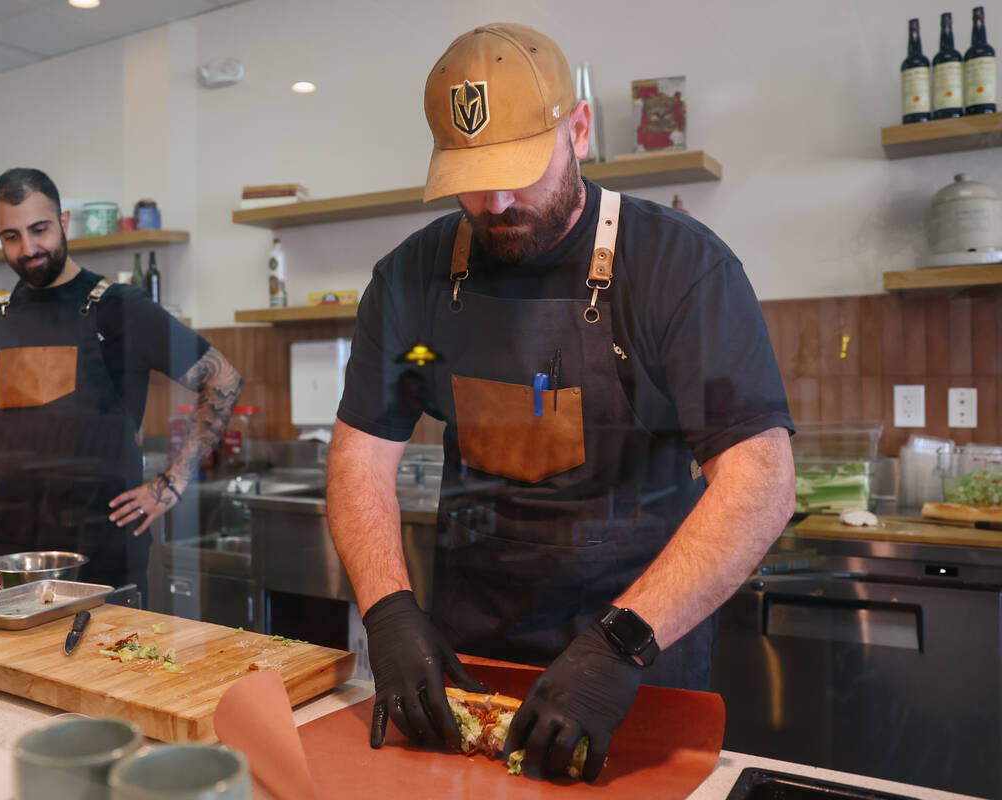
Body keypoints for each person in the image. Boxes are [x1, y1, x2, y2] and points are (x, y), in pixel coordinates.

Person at [326, 23, 796, 782]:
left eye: (519, 167)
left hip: (636, 663)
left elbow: (760, 481)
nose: (498, 199)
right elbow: (360, 451)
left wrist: (619, 647)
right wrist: (386, 611)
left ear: (577, 128)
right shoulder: (411, 277)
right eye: (471, 180)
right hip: (473, 658)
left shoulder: (683, 268)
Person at [0, 168, 241, 598]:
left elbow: (223, 378)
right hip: (9, 551)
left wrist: (171, 483)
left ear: (63, 221)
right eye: (11, 236)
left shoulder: (121, 308)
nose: (28, 248)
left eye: (39, 229)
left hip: (101, 549)